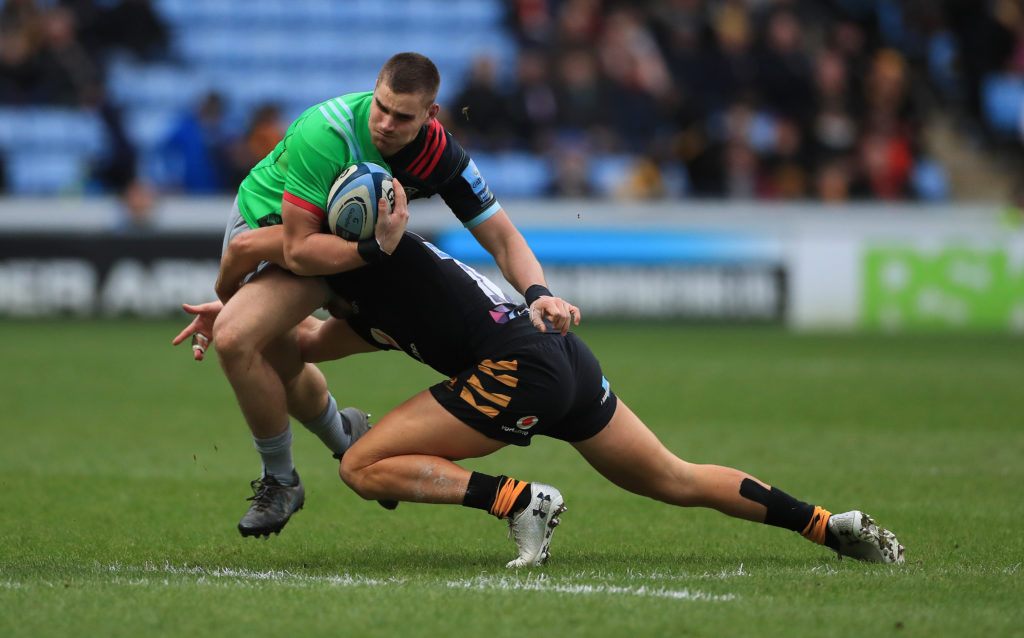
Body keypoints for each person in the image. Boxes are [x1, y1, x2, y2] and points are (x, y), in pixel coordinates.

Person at [175, 223, 905, 569]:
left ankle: (521, 502)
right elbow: (302, 343)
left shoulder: (379, 269)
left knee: (362, 466)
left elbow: (269, 265)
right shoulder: (379, 284)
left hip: (520, 365)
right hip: (556, 358)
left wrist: (245, 290)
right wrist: (237, 319)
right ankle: (825, 524)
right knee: (671, 476)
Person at [192, 52, 577, 539]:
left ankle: (281, 480)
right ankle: (342, 434)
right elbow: (298, 248)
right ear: (373, 91)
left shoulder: (440, 154)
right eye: (381, 107)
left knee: (237, 339)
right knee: (279, 357)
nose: (387, 124)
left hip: (342, 251)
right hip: (273, 229)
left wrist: (538, 292)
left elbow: (501, 235)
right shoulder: (326, 132)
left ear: (430, 115)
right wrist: (376, 248)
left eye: (403, 116)